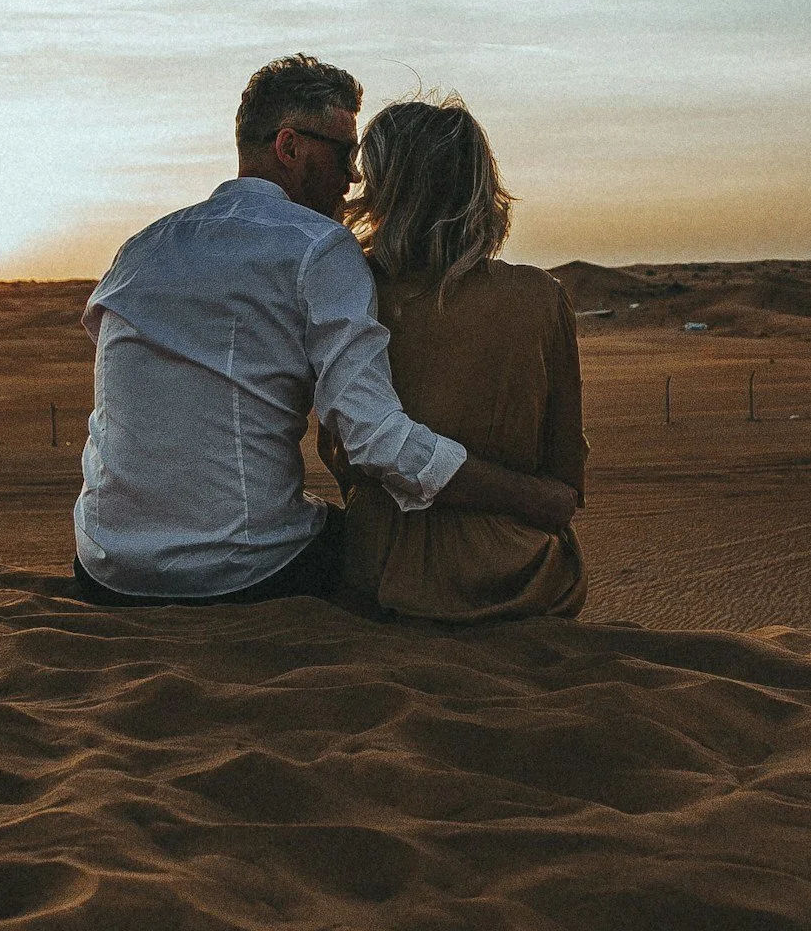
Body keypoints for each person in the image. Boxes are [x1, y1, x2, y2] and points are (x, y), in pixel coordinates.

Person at [71, 55, 579, 606]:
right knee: (362, 547)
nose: (354, 178)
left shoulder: (139, 249)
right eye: (343, 154)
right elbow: (376, 440)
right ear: (289, 147)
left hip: (104, 567)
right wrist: (533, 499)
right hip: (239, 576)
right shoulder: (319, 247)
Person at [326, 96, 586, 622]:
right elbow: (564, 480)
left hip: (378, 571)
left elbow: (343, 457)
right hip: (517, 579)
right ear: (480, 190)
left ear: (384, 194)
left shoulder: (353, 296)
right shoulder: (541, 298)